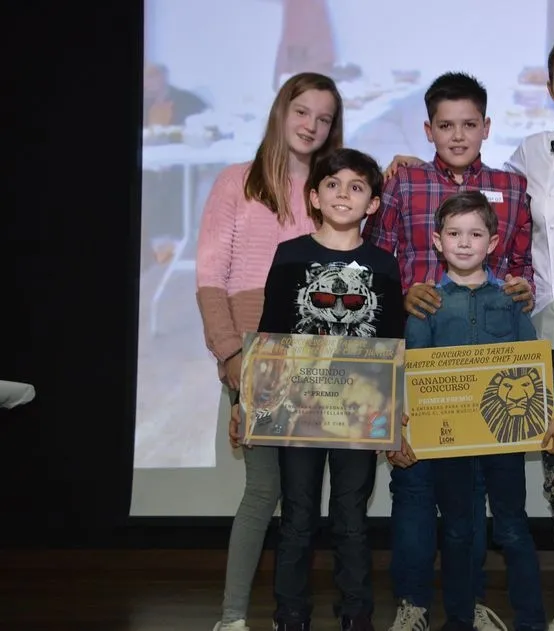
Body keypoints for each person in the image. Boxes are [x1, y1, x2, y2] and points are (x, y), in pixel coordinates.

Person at [382, 33, 554, 631]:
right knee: (546, 482)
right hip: (510, 342)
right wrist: (400, 167)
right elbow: (404, 254)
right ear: (551, 89)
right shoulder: (528, 156)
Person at [362, 71, 534, 631]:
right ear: (428, 128)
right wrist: (400, 295)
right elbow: (376, 265)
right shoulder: (405, 184)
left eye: (468, 124)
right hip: (417, 354)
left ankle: (471, 600)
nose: (457, 135)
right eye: (445, 125)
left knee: (475, 494)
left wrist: (522, 287)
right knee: (412, 485)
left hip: (482, 364)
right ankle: (412, 603)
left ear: (486, 126)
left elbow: (521, 266)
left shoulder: (511, 188)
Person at [195, 72, 344, 631]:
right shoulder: (237, 181)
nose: (311, 125)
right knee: (264, 489)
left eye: (324, 118)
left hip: (322, 353)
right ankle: (232, 617)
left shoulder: (330, 188)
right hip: (255, 350)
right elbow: (211, 277)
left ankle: (292, 612)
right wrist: (231, 354)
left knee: (307, 496)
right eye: (302, 111)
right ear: (281, 112)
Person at [404, 191, 554, 631]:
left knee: (513, 528)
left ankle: (532, 622)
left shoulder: (512, 300)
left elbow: (537, 358)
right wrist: (400, 428)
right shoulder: (426, 305)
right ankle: (460, 620)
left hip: (505, 441)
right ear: (437, 241)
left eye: (475, 234)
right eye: (454, 234)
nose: (464, 242)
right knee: (457, 531)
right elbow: (411, 377)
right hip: (449, 447)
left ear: (493, 243)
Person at [254, 148, 405, 631]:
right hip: (296, 411)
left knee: (351, 519)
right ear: (314, 196)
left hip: (358, 413)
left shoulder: (384, 264)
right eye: (334, 185)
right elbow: (270, 333)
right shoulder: (290, 254)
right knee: (297, 517)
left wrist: (397, 408)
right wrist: (249, 402)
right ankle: (290, 614)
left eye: (357, 187)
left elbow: (392, 341)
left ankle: (356, 615)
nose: (344, 194)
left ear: (373, 204)